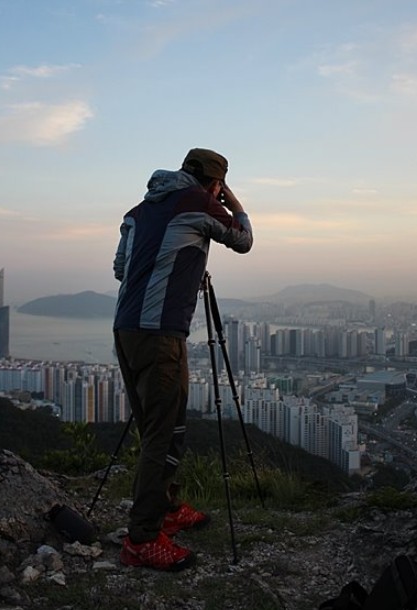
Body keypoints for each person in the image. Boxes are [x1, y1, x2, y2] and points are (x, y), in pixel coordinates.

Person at [113, 148, 253, 571]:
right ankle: (142, 538)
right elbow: (243, 240)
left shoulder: (138, 211)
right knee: (163, 434)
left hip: (126, 331)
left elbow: (121, 269)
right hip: (160, 337)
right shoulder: (199, 202)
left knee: (159, 428)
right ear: (215, 184)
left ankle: (166, 507)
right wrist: (233, 202)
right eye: (220, 187)